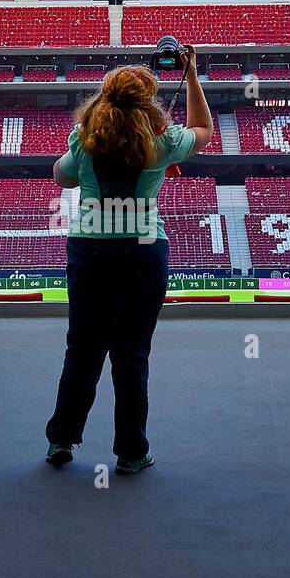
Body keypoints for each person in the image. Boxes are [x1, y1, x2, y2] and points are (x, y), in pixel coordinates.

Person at [45, 45, 214, 473]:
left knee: (82, 350)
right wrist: (191, 74)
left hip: (90, 251)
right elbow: (203, 128)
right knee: (132, 355)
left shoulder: (84, 138)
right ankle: (131, 452)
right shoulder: (164, 141)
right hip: (142, 254)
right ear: (148, 100)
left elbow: (62, 176)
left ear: (105, 96)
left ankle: (62, 440)